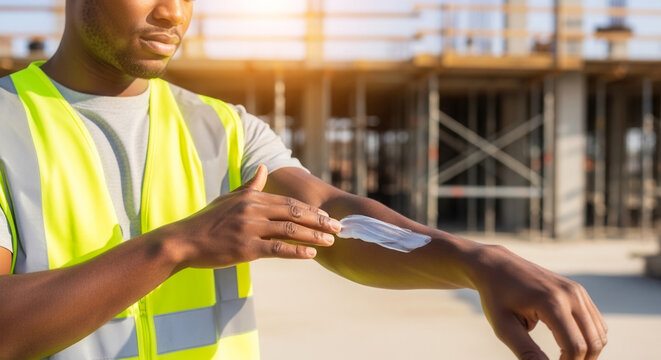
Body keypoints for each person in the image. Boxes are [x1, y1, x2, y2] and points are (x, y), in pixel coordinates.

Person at [0, 0, 607, 359]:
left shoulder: (224, 128)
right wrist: (179, 245)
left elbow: (333, 217)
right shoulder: (6, 123)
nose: (175, 12)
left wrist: (474, 259)